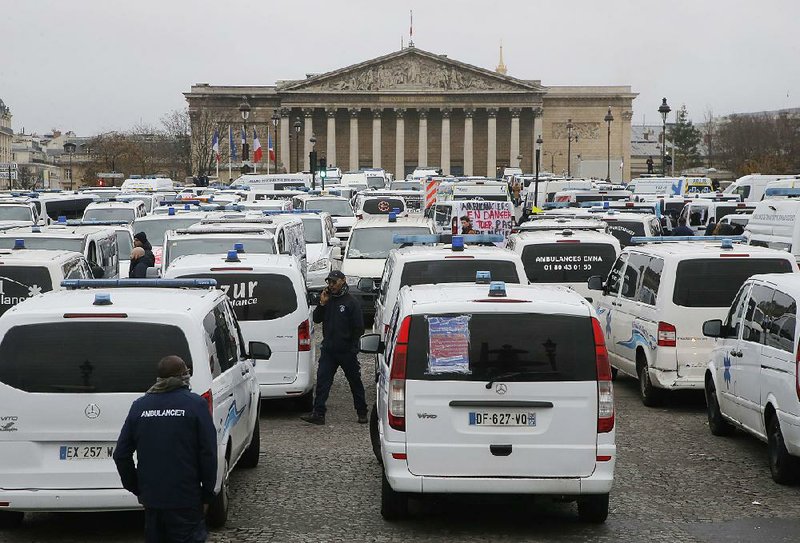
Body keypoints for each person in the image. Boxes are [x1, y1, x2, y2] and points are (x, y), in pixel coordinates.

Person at [114, 355, 217, 543]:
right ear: (182, 376)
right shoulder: (195, 405)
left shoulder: (139, 407)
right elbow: (208, 453)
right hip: (186, 498)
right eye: (186, 373)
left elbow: (121, 454)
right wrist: (207, 494)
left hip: (153, 498)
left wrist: (137, 487)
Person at [301, 270, 367, 425]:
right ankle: (318, 413)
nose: (331, 285)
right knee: (323, 382)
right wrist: (322, 304)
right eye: (329, 282)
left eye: (334, 282)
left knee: (355, 382)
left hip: (346, 351)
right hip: (329, 350)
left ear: (342, 281)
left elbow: (359, 328)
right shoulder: (328, 300)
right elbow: (316, 319)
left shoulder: (351, 302)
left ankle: (362, 412)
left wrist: (351, 345)